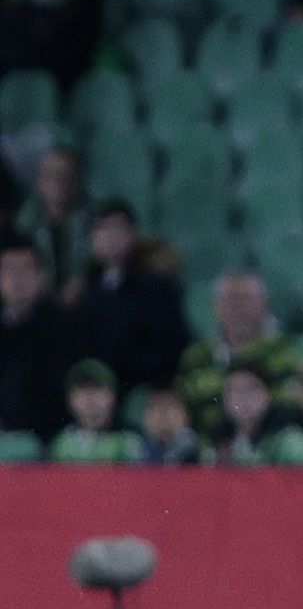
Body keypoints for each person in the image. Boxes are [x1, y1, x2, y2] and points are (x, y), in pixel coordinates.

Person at [66, 200, 190, 391]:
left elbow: (170, 349)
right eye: (102, 229)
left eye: (118, 229)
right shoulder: (82, 289)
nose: (110, 238)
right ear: (92, 238)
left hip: (141, 388)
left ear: (133, 235)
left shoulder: (157, 287)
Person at [175, 271, 300, 439]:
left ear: (264, 304)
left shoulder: (289, 351)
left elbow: (293, 404)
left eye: (246, 299)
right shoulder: (196, 357)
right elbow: (184, 408)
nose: (238, 308)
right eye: (230, 300)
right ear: (216, 306)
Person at [0, 236, 74, 441]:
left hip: (44, 439)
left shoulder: (62, 326)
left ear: (41, 276)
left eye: (25, 269)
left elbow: (60, 393)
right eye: (9, 270)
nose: (17, 278)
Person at [11, 146, 89, 287]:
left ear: (77, 183)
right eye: (53, 175)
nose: (59, 183)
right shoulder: (24, 225)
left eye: (67, 176)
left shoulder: (93, 221)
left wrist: (81, 281)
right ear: (40, 182)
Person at [50, 358, 140, 463]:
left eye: (97, 390)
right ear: (70, 399)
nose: (90, 399)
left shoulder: (130, 441)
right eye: (82, 391)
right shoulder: (61, 443)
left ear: (112, 397)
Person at [136, 387, 208, 464]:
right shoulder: (135, 451)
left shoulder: (200, 450)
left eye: (170, 407)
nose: (163, 415)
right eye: (155, 407)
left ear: (186, 415)